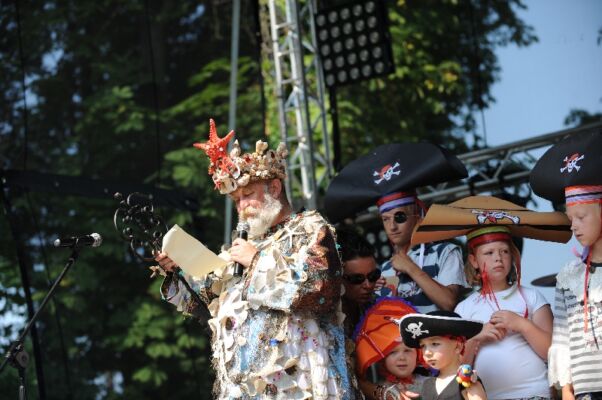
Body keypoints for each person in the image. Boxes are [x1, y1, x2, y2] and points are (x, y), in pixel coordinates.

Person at [154, 120, 355, 399]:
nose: (242, 207)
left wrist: (257, 261)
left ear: (275, 188)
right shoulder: (236, 250)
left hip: (301, 384)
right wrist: (178, 271)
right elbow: (202, 305)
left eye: (248, 195)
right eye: (236, 200)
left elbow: (321, 292)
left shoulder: (309, 229)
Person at [411, 195, 571, 400]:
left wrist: (522, 324)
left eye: (504, 251)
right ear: (473, 260)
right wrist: (477, 337)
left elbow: (553, 352)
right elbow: (455, 367)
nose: (498, 258)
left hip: (535, 394)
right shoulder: (464, 308)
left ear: (512, 256)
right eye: (489, 253)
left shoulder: (532, 297)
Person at [324, 142, 470, 313]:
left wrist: (411, 268)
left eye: (399, 217)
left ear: (418, 216)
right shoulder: (385, 269)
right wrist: (374, 295)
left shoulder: (446, 252)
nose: (392, 226)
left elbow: (449, 303)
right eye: (385, 219)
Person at [530, 131, 602, 399]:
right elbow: (562, 341)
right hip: (586, 391)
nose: (574, 226)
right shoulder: (568, 276)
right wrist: (568, 393)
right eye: (571, 219)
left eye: (581, 217)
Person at [399, 311, 486, 400]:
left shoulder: (467, 382)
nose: (427, 352)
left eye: (435, 344)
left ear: (458, 346)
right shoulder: (427, 384)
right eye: (423, 346)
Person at [354, 297, 428, 400]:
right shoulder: (372, 389)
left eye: (407, 350)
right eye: (393, 352)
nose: (402, 357)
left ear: (419, 354)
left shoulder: (432, 385)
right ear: (382, 358)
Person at [337, 226, 382, 338]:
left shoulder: (378, 308)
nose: (368, 285)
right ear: (337, 277)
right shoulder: (324, 322)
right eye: (357, 279)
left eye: (373, 276)